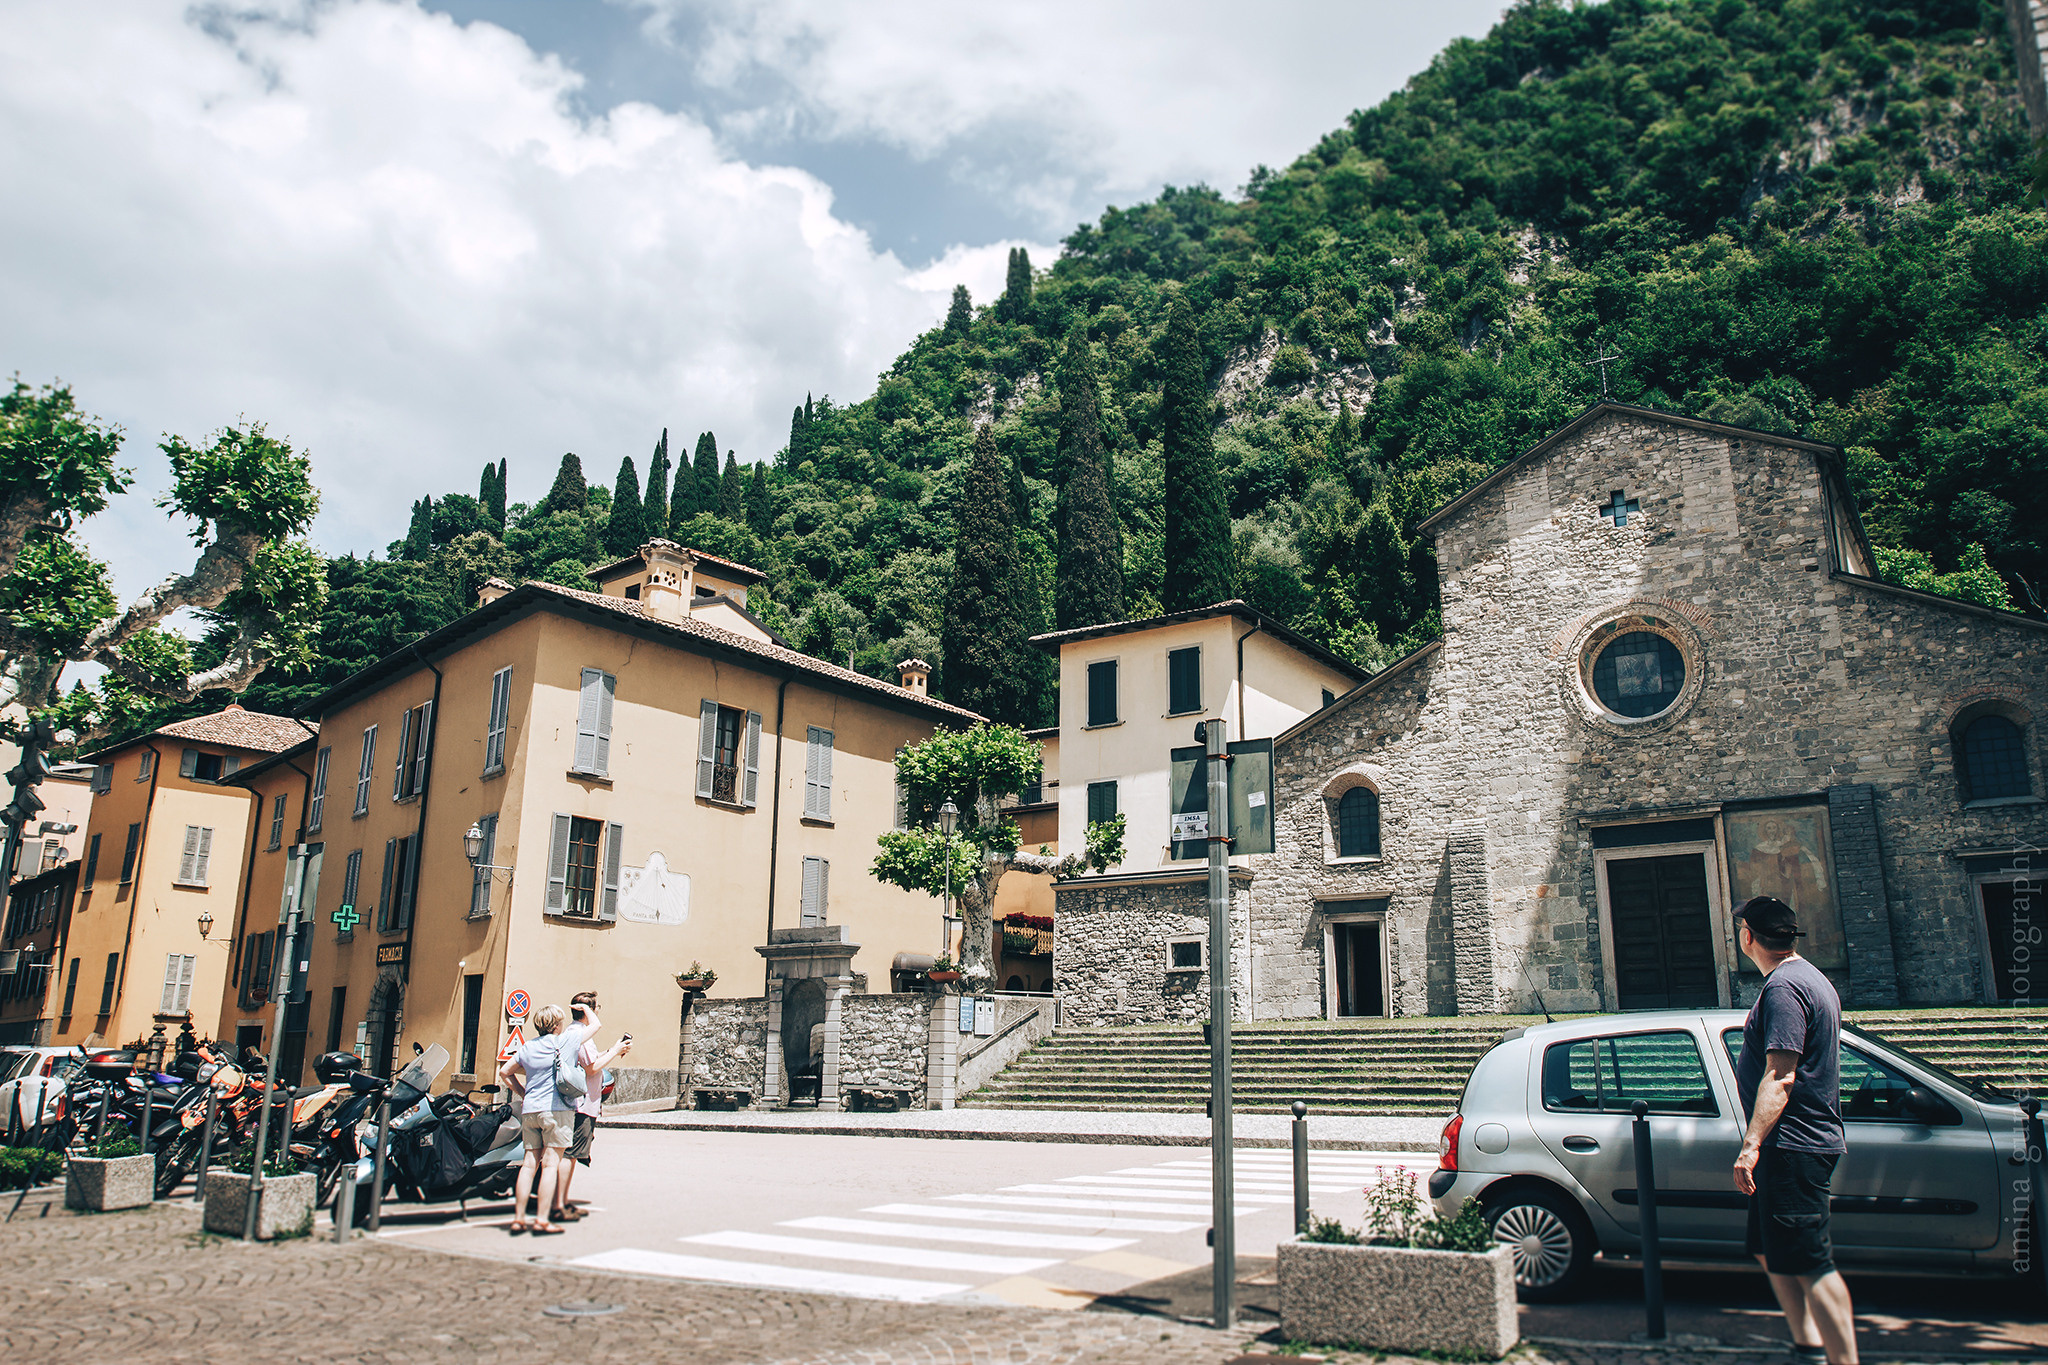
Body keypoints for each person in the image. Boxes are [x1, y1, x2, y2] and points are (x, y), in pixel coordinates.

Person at [1730, 896, 1858, 1365]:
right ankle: (1808, 1347)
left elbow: (1781, 1076)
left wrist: (1750, 1146)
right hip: (1792, 1144)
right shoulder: (1809, 978)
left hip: (1793, 1144)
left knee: (1811, 1262)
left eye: (1740, 927)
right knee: (1767, 1249)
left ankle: (1841, 1359)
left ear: (1748, 937)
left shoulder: (1785, 989)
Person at [498, 1001, 593, 1235]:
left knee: (529, 1165)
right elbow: (596, 1024)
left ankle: (519, 1219)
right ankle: (541, 1219)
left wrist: (523, 1093)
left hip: (531, 1110)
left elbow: (504, 1072)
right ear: (558, 1025)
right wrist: (585, 1006)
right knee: (550, 1165)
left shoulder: (527, 1047)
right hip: (557, 1110)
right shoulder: (565, 1041)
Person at [552, 991, 631, 1222]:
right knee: (570, 1154)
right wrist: (615, 1052)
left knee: (570, 1154)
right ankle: (559, 1204)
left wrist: (612, 1051)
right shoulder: (580, 1034)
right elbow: (592, 1068)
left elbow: (591, 1061)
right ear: (590, 1011)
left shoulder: (574, 1033)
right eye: (596, 1008)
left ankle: (560, 1202)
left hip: (577, 1102)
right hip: (581, 1104)